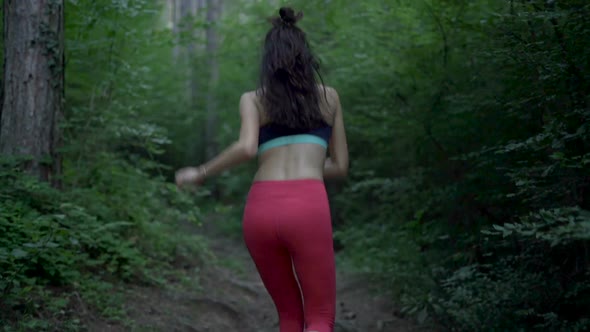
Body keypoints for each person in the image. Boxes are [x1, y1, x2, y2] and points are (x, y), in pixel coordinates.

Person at [175, 7, 349, 332]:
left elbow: (246, 147)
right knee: (320, 317)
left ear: (268, 62)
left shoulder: (253, 100)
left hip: (261, 211)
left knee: (289, 317)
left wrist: (200, 172)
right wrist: (309, 166)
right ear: (305, 56)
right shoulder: (330, 99)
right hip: (308, 207)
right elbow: (340, 166)